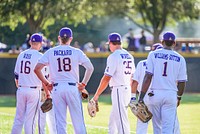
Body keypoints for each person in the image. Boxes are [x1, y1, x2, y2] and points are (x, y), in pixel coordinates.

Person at [34, 27, 94, 134]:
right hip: (72, 88)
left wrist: (47, 83)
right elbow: (90, 68)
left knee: (60, 123)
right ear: (70, 39)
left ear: (59, 38)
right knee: (78, 122)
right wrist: (83, 84)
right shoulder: (76, 52)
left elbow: (37, 69)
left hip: (57, 88)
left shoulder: (51, 51)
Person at [138, 31, 187, 134]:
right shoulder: (180, 58)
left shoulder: (153, 54)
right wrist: (179, 97)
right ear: (174, 43)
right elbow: (182, 82)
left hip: (155, 94)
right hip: (170, 94)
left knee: (157, 127)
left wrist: (141, 97)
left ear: (162, 41)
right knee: (168, 128)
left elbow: (148, 77)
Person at [92, 32, 135, 134]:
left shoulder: (114, 56)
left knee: (121, 121)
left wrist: (96, 96)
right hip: (126, 89)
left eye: (109, 44)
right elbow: (133, 77)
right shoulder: (129, 55)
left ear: (111, 43)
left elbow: (106, 78)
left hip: (119, 90)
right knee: (113, 121)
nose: (109, 47)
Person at [11, 33, 43, 134]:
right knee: (30, 120)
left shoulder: (21, 54)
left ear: (30, 42)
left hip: (21, 89)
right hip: (34, 91)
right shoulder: (40, 56)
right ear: (41, 44)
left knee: (18, 119)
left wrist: (20, 85)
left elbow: (16, 75)